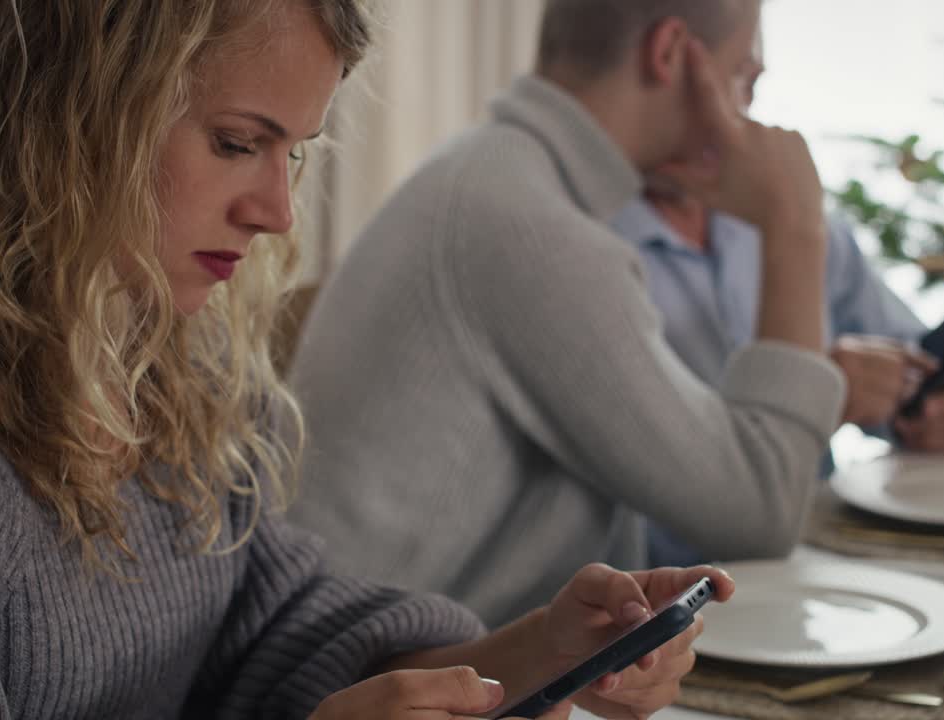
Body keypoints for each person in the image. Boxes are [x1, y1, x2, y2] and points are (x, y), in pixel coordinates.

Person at [0, 1, 731, 718]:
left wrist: (542, 648)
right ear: (65, 117)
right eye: (239, 143)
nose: (279, 212)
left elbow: (278, 628)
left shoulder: (167, 363)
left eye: (295, 153)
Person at [290, 0, 846, 628]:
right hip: (368, 686)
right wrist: (796, 225)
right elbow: (759, 512)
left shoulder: (494, 177)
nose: (748, 115)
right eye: (743, 78)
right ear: (669, 54)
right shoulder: (525, 224)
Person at [614, 26, 944, 566]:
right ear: (670, 65)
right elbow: (661, 481)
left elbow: (913, 357)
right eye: (742, 71)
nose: (753, 97)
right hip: (673, 592)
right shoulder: (592, 246)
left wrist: (932, 405)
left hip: (821, 559)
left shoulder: (802, 227)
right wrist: (816, 393)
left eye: (756, 76)